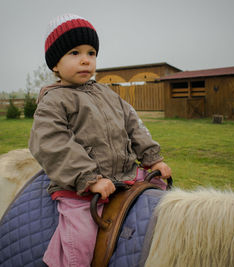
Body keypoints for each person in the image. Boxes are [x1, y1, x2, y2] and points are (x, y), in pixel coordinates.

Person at [28, 13, 171, 267]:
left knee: (164, 202)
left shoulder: (107, 94)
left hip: (125, 174)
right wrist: (88, 178)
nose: (85, 60)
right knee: (81, 241)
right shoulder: (54, 101)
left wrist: (152, 158)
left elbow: (133, 124)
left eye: (91, 52)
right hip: (80, 188)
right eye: (74, 53)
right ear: (55, 65)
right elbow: (52, 143)